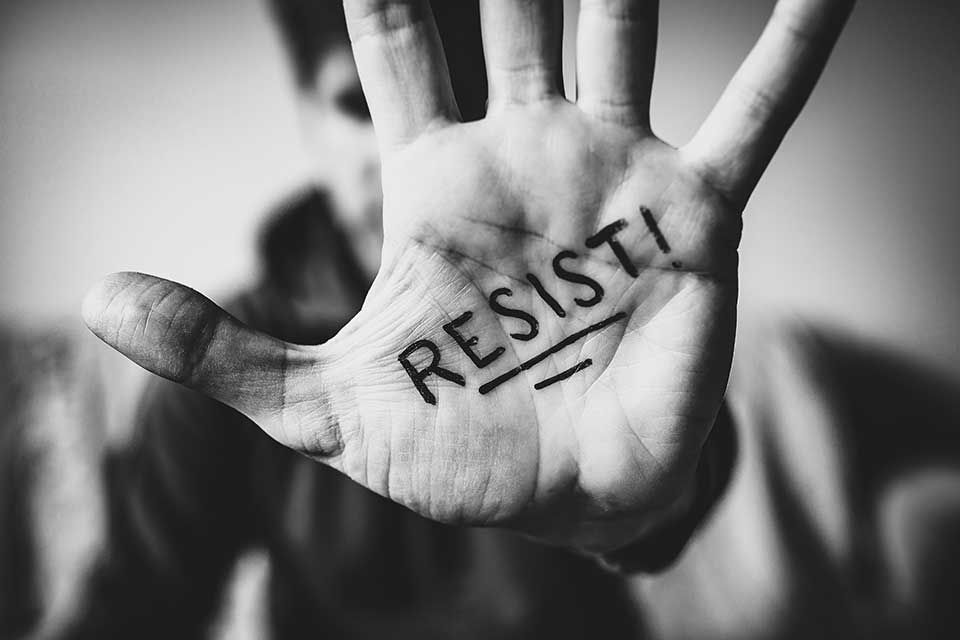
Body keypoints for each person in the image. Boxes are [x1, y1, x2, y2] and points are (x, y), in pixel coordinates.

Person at [65, 0, 960, 638]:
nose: (409, 156)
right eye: (352, 106)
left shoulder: (610, 297)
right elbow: (140, 602)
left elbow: (682, 462)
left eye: (471, 107)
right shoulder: (251, 368)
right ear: (302, 111)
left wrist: (628, 510)